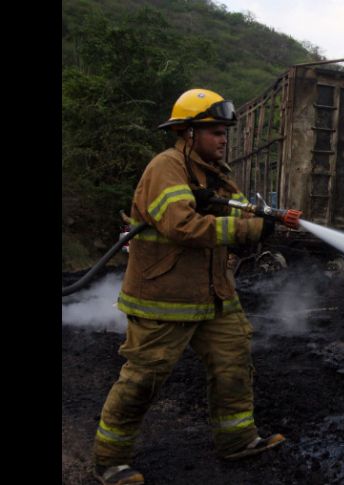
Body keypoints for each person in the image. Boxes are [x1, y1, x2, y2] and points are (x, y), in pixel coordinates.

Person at [92, 88, 290, 485]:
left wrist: (264, 222)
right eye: (215, 131)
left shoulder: (216, 174)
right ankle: (109, 461)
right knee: (144, 378)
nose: (223, 138)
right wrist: (250, 229)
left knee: (233, 362)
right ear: (188, 133)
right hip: (163, 295)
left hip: (214, 292)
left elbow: (240, 215)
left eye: (224, 131)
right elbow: (182, 226)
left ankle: (237, 439)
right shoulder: (165, 168)